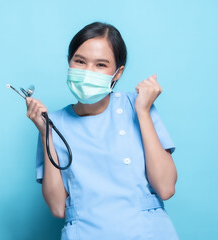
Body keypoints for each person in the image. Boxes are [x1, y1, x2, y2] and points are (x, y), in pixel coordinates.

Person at [26, 22, 179, 239]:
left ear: (117, 73)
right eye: (80, 61)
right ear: (69, 63)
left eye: (100, 65)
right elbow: (58, 207)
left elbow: (165, 188)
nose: (88, 72)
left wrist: (143, 112)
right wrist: (45, 134)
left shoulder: (137, 105)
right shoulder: (53, 123)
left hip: (147, 232)